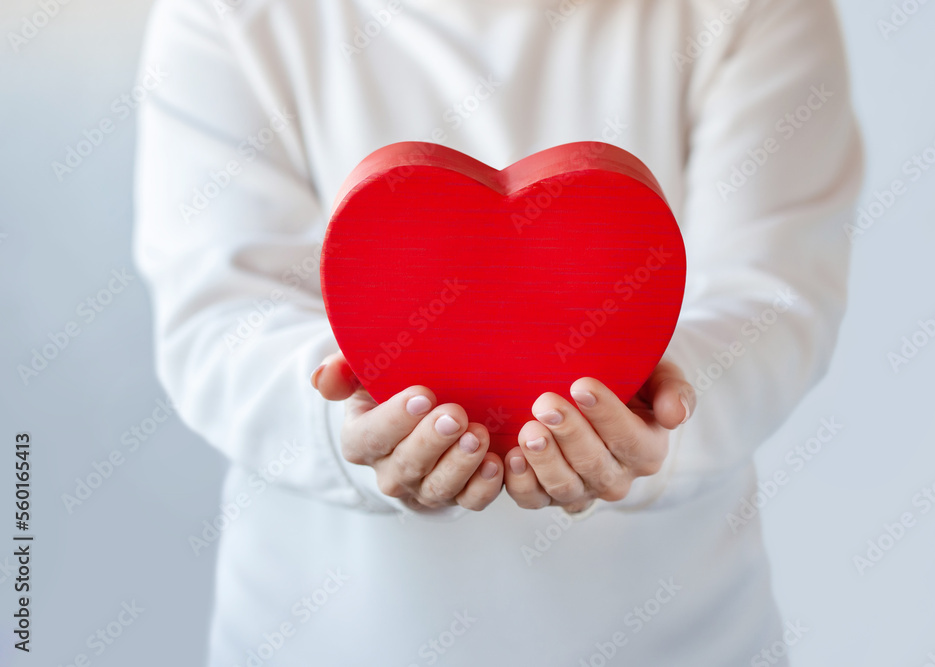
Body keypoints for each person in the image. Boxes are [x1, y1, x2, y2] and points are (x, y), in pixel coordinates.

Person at [133, 0, 862, 664]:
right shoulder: (227, 14)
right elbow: (218, 312)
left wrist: (655, 415)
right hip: (325, 635)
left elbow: (778, 292)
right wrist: (345, 428)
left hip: (674, 636)